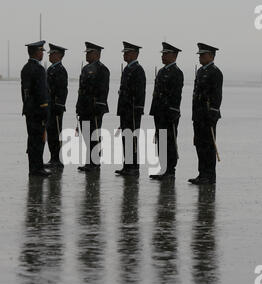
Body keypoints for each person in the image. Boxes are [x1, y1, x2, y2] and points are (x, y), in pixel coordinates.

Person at [189, 43, 223, 185]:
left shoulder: (215, 72)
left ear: (211, 56)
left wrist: (213, 113)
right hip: (198, 114)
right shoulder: (201, 71)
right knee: (199, 144)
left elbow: (216, 96)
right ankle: (202, 173)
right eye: (200, 55)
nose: (200, 57)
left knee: (208, 146)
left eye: (202, 55)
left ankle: (209, 175)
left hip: (208, 114)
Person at [149, 42, 184, 180]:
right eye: (163, 54)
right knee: (161, 140)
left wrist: (173, 111)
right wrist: (154, 110)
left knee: (170, 141)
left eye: (166, 54)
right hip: (159, 112)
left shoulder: (176, 73)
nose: (163, 56)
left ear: (174, 56)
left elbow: (176, 95)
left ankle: (170, 170)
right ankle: (163, 168)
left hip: (169, 113)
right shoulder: (162, 71)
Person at [76, 42, 110, 172]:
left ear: (97, 54)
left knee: (94, 135)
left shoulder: (102, 69)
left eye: (89, 52)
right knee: (86, 135)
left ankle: (95, 163)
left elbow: (103, 90)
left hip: (94, 108)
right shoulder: (85, 69)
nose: (87, 55)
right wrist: (78, 106)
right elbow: (81, 90)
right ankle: (89, 161)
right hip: (84, 108)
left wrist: (99, 107)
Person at [115, 41, 146, 177]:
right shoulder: (128, 69)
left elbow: (139, 92)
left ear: (134, 54)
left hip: (133, 110)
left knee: (132, 138)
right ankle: (127, 165)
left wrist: (137, 108)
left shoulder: (138, 70)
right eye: (124, 52)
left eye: (127, 52)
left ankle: (133, 167)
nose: (125, 54)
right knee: (125, 138)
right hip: (125, 109)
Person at [21, 40, 51, 177]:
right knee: (39, 140)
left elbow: (25, 92)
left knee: (32, 139)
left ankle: (33, 167)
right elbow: (41, 92)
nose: (42, 54)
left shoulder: (26, 68)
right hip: (39, 110)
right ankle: (37, 168)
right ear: (37, 52)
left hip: (29, 110)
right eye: (41, 51)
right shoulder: (38, 69)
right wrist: (45, 108)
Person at [44, 43, 68, 169]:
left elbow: (62, 90)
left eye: (52, 54)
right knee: (50, 134)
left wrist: (58, 105)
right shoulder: (51, 69)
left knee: (56, 134)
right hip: (49, 107)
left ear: (59, 55)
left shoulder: (60, 70)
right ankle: (53, 158)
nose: (50, 56)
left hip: (56, 108)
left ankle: (57, 160)